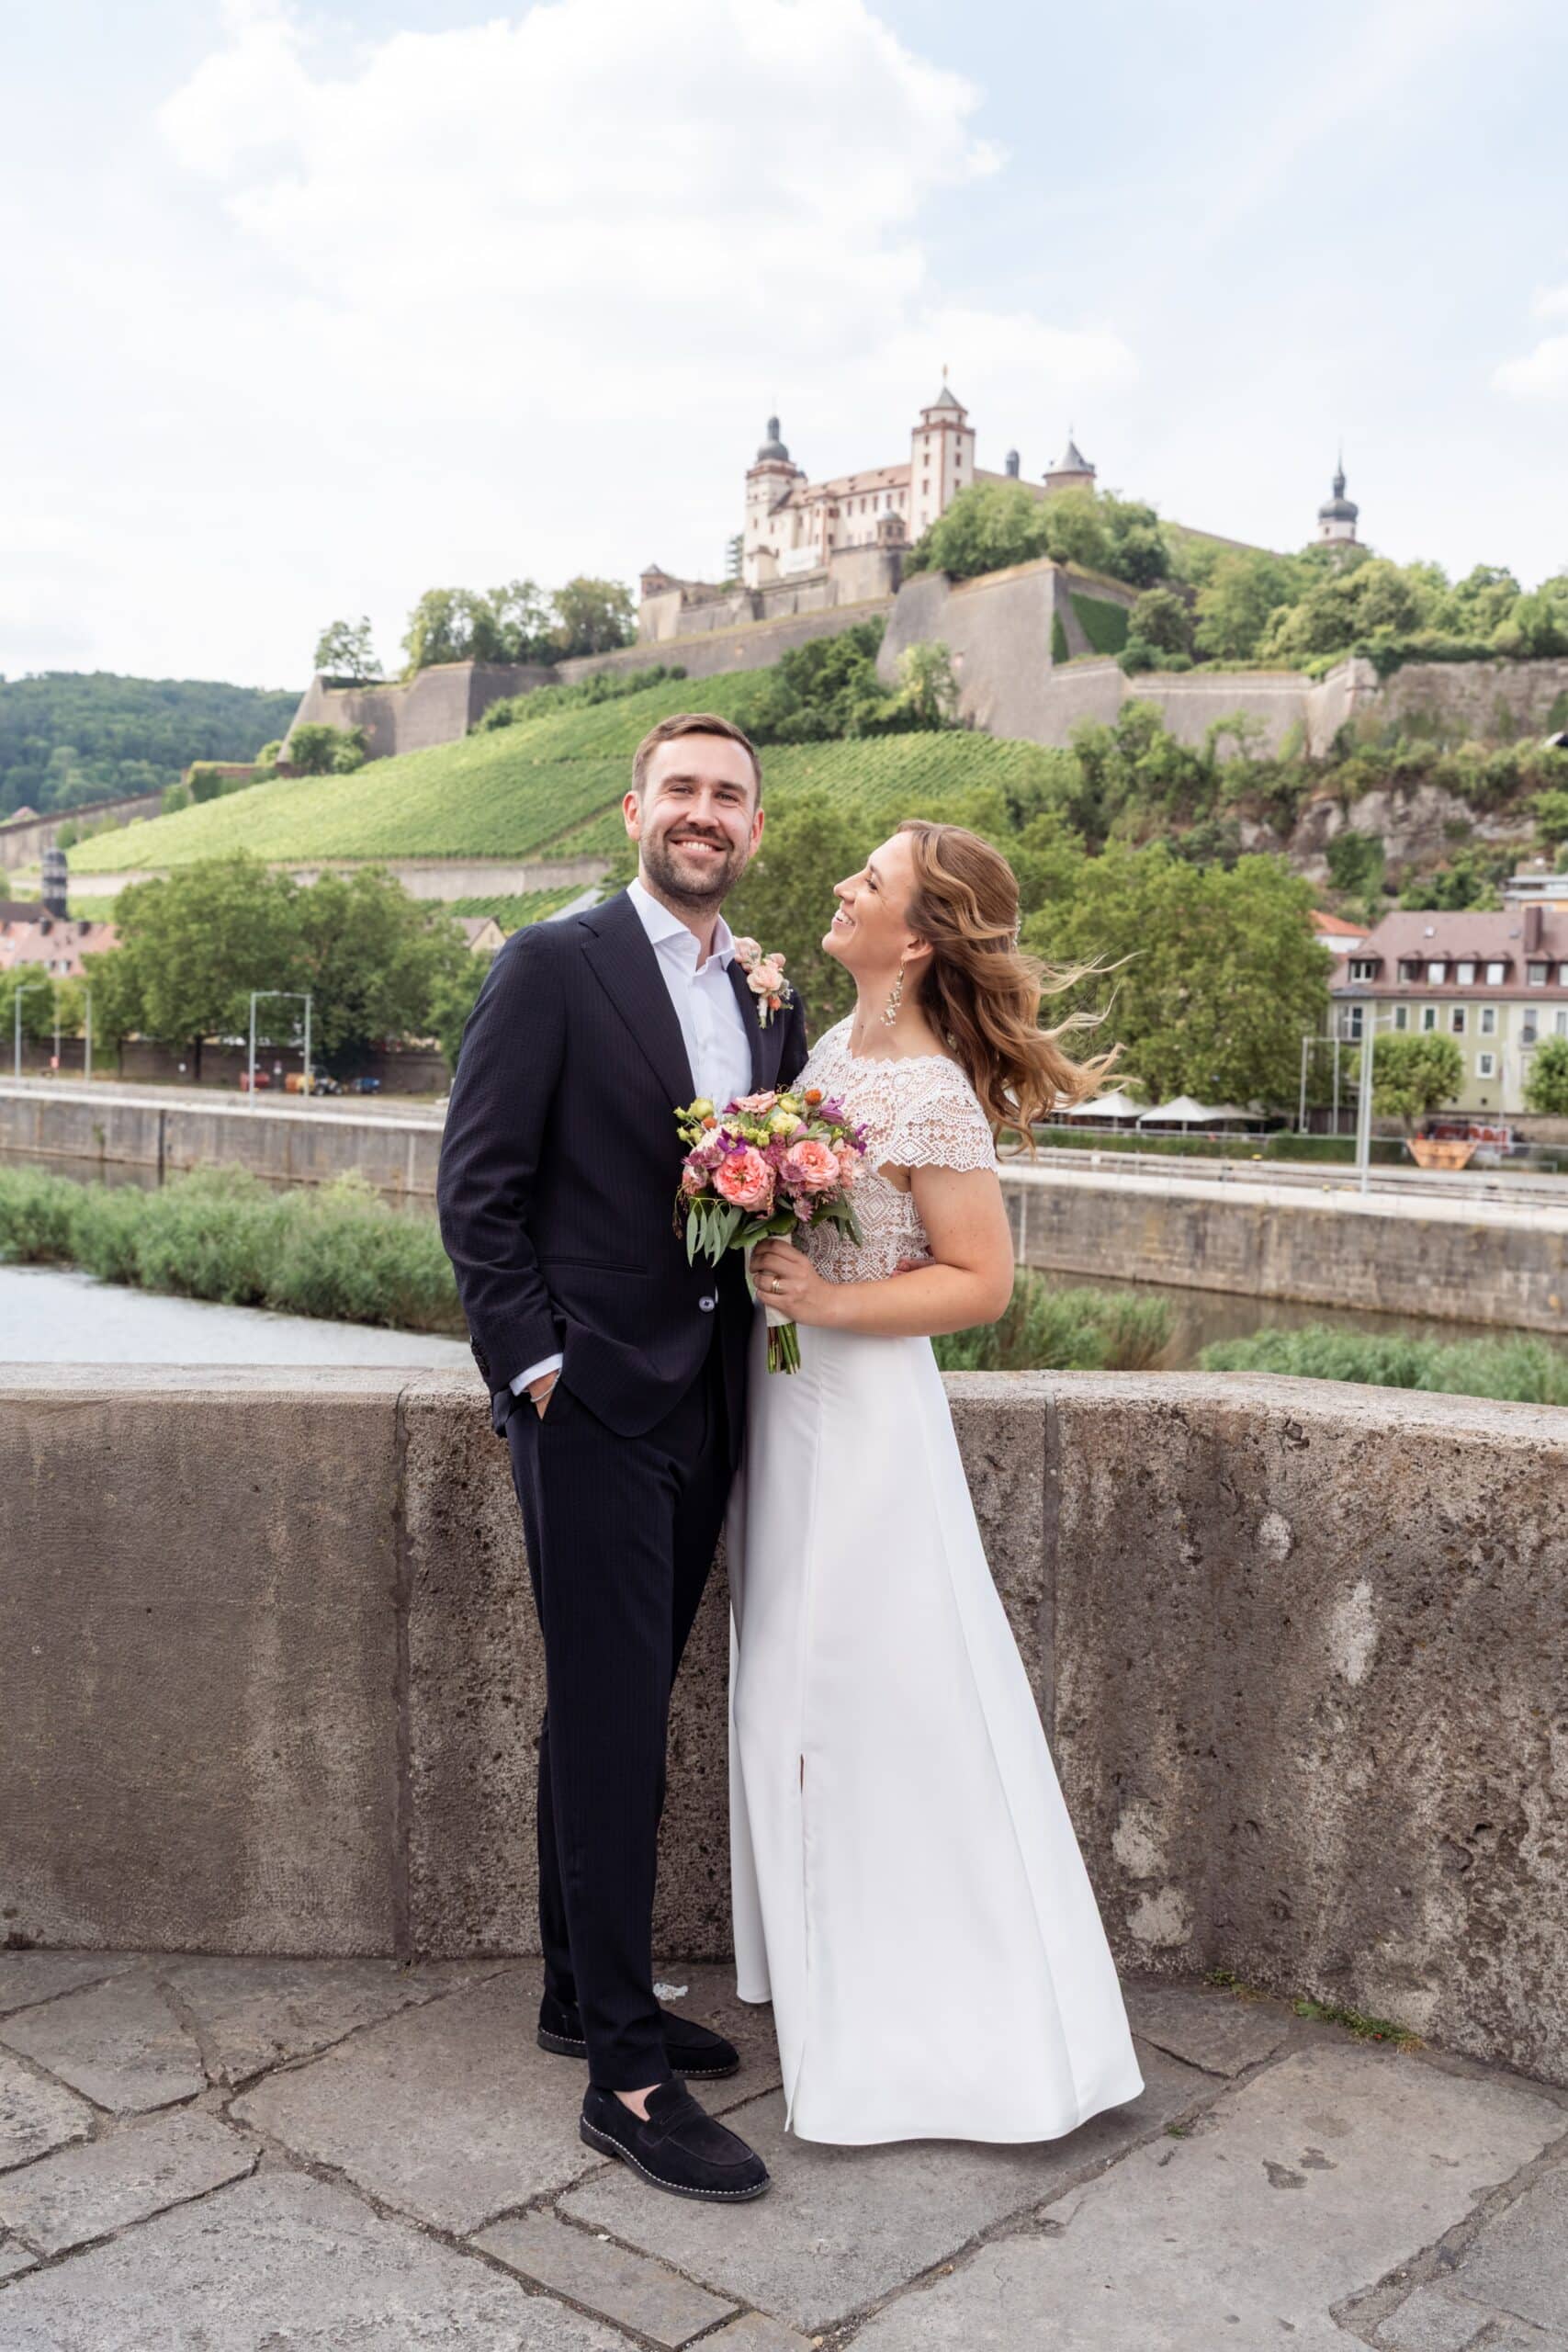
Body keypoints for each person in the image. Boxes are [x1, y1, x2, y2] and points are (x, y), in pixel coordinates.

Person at [436, 712, 807, 2203]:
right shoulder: (553, 964)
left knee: (619, 1706)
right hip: (589, 1406)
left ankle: (573, 1993)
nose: (704, 813)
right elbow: (479, 1190)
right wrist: (540, 1373)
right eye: (682, 790)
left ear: (755, 828)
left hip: (710, 1399)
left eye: (730, 796)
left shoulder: (766, 992)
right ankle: (627, 2080)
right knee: (611, 1726)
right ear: (634, 808)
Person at [736, 819, 1147, 2143]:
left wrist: (825, 1300)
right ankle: (816, 1965)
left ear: (915, 940)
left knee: (870, 1695)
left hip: (863, 1424)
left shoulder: (931, 1094)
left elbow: (982, 1284)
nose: (840, 886)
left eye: (868, 881)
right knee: (785, 1688)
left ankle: (923, 2007)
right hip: (784, 1405)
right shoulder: (828, 1051)